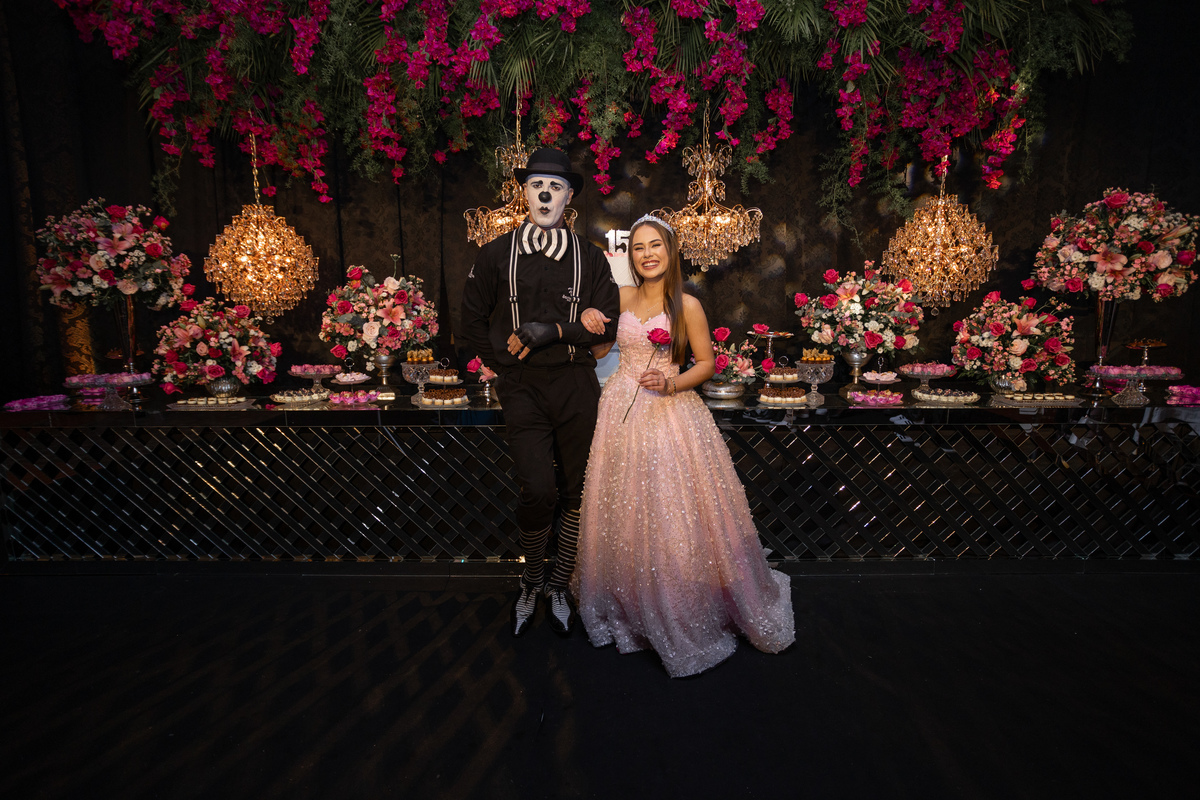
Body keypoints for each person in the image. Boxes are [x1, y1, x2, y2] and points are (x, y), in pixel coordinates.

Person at [572, 214, 795, 677]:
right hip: (619, 410)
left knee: (670, 507)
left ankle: (680, 599)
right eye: (638, 247)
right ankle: (629, 600)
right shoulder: (620, 296)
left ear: (670, 251)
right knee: (622, 505)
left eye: (655, 245)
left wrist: (671, 383)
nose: (647, 254)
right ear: (630, 256)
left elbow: (707, 364)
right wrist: (590, 322)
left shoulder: (687, 304)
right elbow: (599, 352)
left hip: (669, 411)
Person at [460, 147, 620, 638]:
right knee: (538, 488)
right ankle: (531, 579)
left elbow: (607, 326)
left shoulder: (591, 257)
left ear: (569, 196)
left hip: (576, 384)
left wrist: (554, 331)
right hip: (523, 387)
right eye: (536, 185)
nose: (546, 194)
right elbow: (470, 321)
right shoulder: (495, 254)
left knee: (576, 489)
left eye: (555, 186)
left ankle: (558, 581)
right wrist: (502, 367)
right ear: (524, 194)